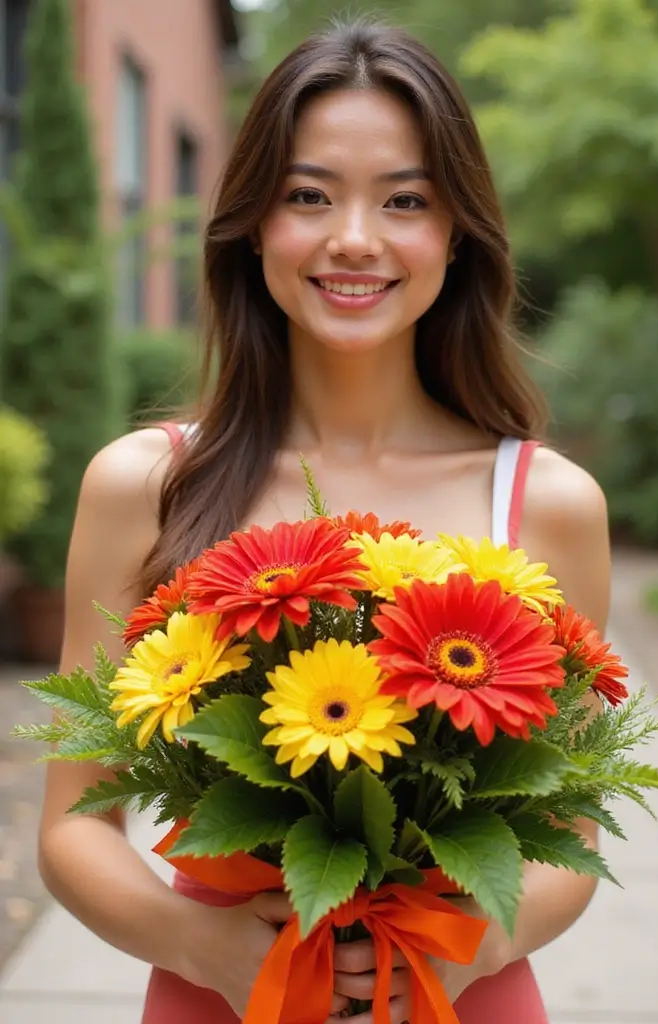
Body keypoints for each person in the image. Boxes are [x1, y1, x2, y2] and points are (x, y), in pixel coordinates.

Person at [38, 17, 611, 1024]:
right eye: (308, 195)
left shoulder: (548, 504)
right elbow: (73, 823)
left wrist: (465, 948)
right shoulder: (144, 484)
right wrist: (203, 944)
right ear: (253, 222)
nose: (354, 237)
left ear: (455, 232)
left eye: (403, 200)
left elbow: (571, 829)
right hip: (220, 996)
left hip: (455, 996)